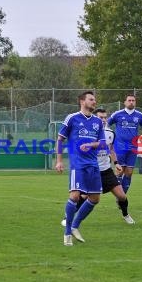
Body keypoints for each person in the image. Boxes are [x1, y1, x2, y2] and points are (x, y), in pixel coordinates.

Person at [61, 108, 135, 226]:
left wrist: (116, 163)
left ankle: (125, 214)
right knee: (84, 195)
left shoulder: (111, 133)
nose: (104, 120)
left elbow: (111, 149)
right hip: (92, 169)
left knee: (122, 195)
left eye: (105, 117)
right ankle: (67, 217)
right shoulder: (89, 132)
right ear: (96, 118)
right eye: (101, 117)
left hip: (106, 171)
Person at [55, 91, 105, 246]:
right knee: (75, 196)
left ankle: (75, 225)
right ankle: (67, 232)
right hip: (78, 164)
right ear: (82, 101)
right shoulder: (72, 118)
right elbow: (60, 139)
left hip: (93, 165)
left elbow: (102, 143)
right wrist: (59, 161)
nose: (94, 102)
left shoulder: (97, 121)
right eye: (91, 99)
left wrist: (90, 144)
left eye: (95, 100)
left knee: (95, 199)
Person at [107, 93, 142, 194]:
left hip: (133, 147)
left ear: (135, 102)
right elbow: (106, 125)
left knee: (129, 172)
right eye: (129, 100)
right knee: (119, 171)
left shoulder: (139, 115)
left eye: (133, 100)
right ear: (125, 102)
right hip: (120, 146)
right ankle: (119, 195)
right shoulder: (117, 114)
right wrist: (109, 137)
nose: (131, 102)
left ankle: (123, 195)